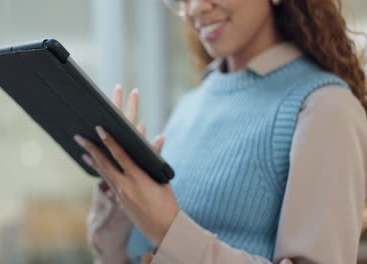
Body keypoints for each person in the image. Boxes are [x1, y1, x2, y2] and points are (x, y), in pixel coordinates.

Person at [76, 0, 367, 263]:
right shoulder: (190, 104)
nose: (195, 8)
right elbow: (122, 257)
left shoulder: (325, 107)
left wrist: (168, 229)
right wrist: (120, 189)